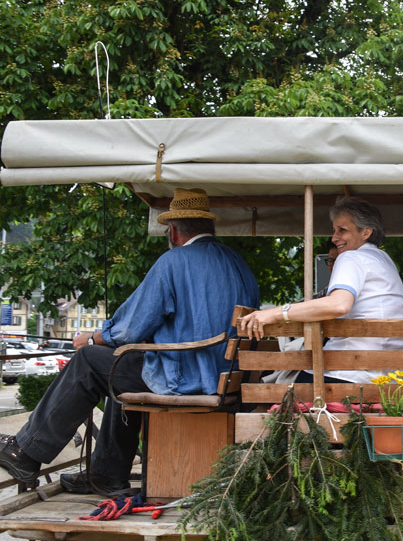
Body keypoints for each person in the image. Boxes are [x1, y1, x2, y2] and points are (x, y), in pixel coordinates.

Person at [0, 188, 260, 493]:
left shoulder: (173, 262)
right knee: (119, 368)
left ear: (173, 231)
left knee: (89, 361)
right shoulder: (238, 264)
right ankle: (106, 474)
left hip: (187, 377)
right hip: (225, 375)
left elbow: (130, 329)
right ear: (208, 227)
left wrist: (93, 338)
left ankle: (26, 452)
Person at [239, 197, 403, 384]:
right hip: (397, 373)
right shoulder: (384, 259)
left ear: (366, 232)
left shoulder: (351, 258)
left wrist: (275, 314)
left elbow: (338, 305)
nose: (334, 238)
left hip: (356, 373)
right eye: (334, 230)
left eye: (342, 230)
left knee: (270, 383)